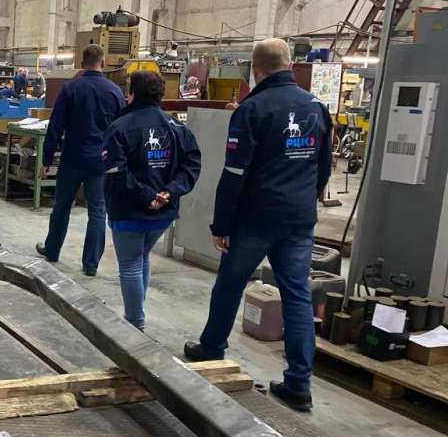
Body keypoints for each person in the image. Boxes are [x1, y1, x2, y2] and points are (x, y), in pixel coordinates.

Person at [184, 39, 332, 412]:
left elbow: (234, 174)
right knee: (297, 295)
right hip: (298, 219)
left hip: (256, 219)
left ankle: (212, 349)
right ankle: (299, 384)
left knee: (231, 283)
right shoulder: (316, 107)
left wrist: (222, 224)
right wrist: (304, 200)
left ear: (255, 69)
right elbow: (323, 167)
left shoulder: (253, 109)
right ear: (290, 65)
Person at [103, 71, 201, 331]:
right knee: (142, 256)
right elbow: (192, 164)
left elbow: (116, 170)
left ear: (132, 93)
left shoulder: (120, 128)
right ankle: (138, 311)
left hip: (129, 210)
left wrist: (147, 196)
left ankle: (135, 323)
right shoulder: (177, 128)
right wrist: (169, 192)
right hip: (163, 213)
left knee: (130, 265)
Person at [36, 44, 126, 276]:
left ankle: (52, 250)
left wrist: (46, 159)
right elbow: (121, 131)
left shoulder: (71, 89)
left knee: (62, 206)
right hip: (101, 162)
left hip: (73, 158)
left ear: (82, 64)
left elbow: (56, 126)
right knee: (97, 210)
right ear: (103, 63)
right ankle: (91, 264)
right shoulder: (115, 92)